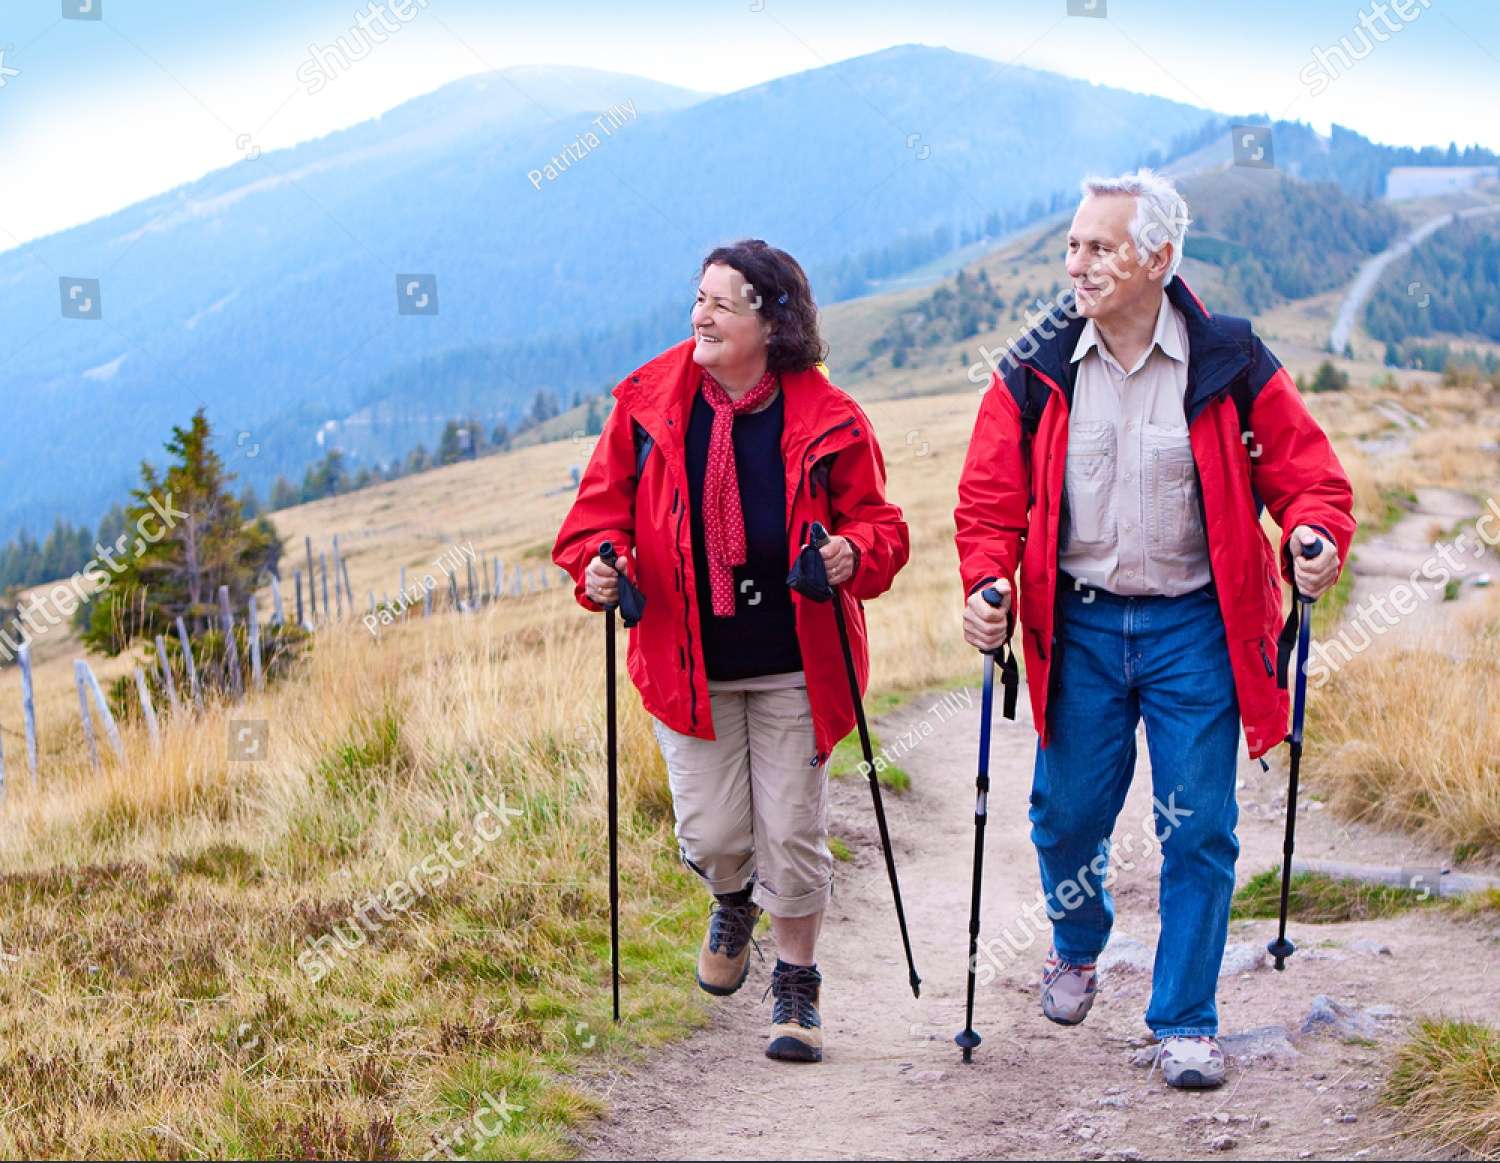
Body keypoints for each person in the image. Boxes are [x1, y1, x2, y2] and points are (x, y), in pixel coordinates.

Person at [954, 170, 1355, 1089]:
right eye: (1073, 244)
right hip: (1082, 628)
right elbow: (987, 500)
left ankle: (1184, 1020)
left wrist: (1313, 536)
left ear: (1160, 259)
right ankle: (1080, 936)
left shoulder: (1230, 360)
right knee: (1065, 815)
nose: (1077, 263)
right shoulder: (1035, 368)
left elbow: (1311, 481)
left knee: (1202, 829)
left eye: (1101, 246)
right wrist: (987, 581)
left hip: (1196, 633)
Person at [554, 239, 909, 1063]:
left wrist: (850, 555)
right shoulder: (648, 407)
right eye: (698, 298)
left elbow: (881, 527)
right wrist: (602, 565)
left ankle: (796, 989)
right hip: (687, 662)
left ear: (771, 320)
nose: (699, 315)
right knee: (715, 834)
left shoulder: (828, 416)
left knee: (792, 832)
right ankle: (730, 896)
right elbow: (591, 522)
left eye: (722, 302)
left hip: (796, 658)